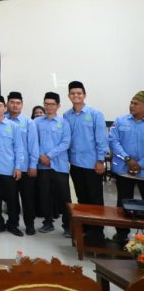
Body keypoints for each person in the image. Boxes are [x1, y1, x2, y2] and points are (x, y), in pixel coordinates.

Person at [64, 81, 107, 244]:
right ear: (69, 96)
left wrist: (100, 160)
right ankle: (87, 230)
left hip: (92, 164)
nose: (76, 96)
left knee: (95, 199)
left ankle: (98, 232)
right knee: (82, 198)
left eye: (79, 93)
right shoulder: (66, 115)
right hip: (75, 164)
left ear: (84, 95)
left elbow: (101, 139)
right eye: (73, 93)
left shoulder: (95, 114)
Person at [35, 91, 72, 238]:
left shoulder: (64, 123)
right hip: (42, 166)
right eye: (46, 104)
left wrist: (49, 156)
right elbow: (33, 141)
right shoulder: (36, 122)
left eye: (52, 104)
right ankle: (48, 222)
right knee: (45, 195)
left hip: (60, 166)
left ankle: (68, 225)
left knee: (64, 197)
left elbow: (65, 143)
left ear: (58, 106)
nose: (49, 107)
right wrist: (41, 156)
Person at [0, 95, 24, 237]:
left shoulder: (13, 126)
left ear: (5, 108)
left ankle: (13, 224)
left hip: (9, 169)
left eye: (0, 106)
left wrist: (18, 167)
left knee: (12, 199)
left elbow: (18, 148)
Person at [109, 91, 144, 245]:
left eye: (136, 103)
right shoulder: (120, 121)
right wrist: (128, 159)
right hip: (124, 170)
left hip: (143, 171)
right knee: (123, 202)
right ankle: (121, 234)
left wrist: (139, 164)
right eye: (131, 102)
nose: (132, 106)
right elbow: (113, 141)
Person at [7, 91, 39, 235]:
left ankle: (30, 225)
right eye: (12, 102)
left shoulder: (28, 122)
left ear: (22, 105)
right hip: (9, 168)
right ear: (7, 104)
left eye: (18, 103)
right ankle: (13, 224)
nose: (15, 105)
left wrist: (33, 165)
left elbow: (33, 146)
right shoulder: (3, 121)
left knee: (28, 198)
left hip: (25, 168)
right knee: (12, 198)